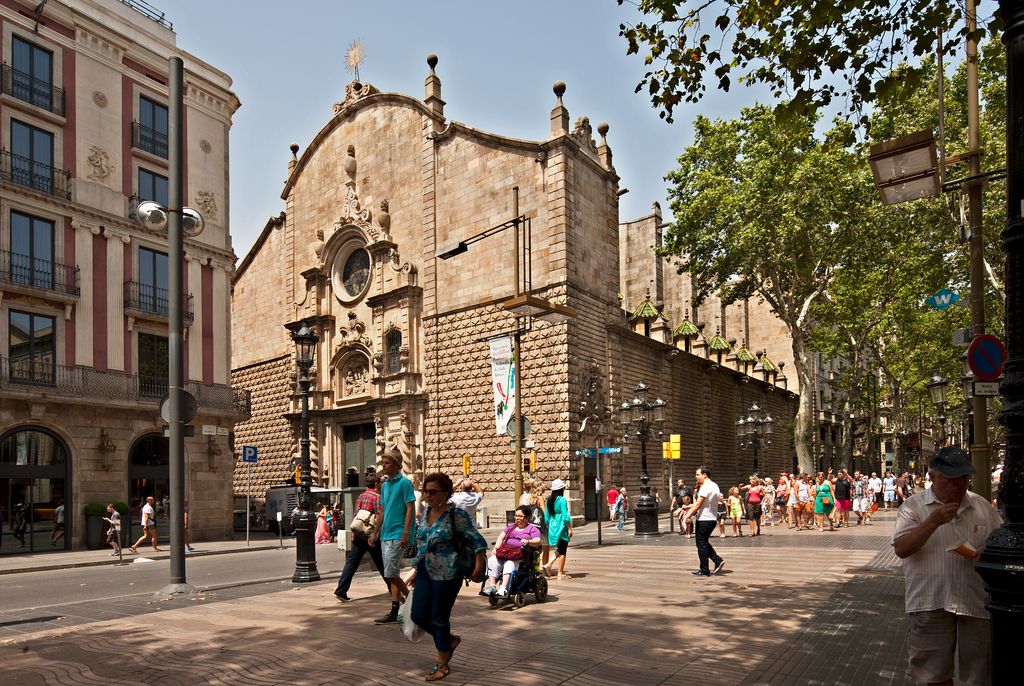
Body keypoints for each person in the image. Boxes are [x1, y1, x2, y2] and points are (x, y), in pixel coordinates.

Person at [893, 447, 1002, 686]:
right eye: (952, 479)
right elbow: (902, 548)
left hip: (974, 601)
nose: (959, 485)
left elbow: (999, 541)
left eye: (964, 478)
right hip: (930, 600)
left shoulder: (981, 506)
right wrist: (933, 521)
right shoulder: (912, 507)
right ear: (932, 477)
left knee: (980, 675)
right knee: (933, 676)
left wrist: (986, 551)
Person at [407, 471, 486, 682]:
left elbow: (476, 539)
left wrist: (478, 565)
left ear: (446, 493)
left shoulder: (456, 514)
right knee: (418, 615)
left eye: (433, 492)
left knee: (438, 617)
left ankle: (442, 663)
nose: (428, 495)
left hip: (449, 573)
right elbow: (422, 543)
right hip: (425, 570)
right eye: (426, 491)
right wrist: (416, 569)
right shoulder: (426, 513)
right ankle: (448, 640)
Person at [369, 445, 416, 624]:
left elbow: (410, 508)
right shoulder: (385, 485)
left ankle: (412, 600)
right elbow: (382, 511)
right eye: (383, 463)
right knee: (392, 572)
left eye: (387, 462)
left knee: (389, 573)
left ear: (396, 464)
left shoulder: (404, 483)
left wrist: (406, 532)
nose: (384, 466)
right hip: (386, 534)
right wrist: (375, 532)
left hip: (399, 533)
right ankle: (395, 609)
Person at [334, 473, 387, 602]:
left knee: (351, 563)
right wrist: (377, 534)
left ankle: (341, 590)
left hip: (359, 535)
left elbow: (356, 515)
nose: (381, 485)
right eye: (380, 483)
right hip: (371, 536)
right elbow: (379, 516)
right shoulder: (377, 498)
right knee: (382, 564)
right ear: (376, 484)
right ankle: (394, 590)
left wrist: (354, 534)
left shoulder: (361, 496)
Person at [485, 505, 541, 597]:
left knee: (509, 563)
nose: (517, 518)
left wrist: (528, 541)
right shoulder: (511, 527)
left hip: (519, 556)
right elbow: (501, 537)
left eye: (520, 516)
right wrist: (495, 549)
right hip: (505, 553)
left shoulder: (532, 529)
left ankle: (503, 588)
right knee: (492, 560)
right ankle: (492, 586)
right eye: (516, 515)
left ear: (527, 518)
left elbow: (537, 540)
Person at [684, 465, 725, 577]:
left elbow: (698, 504)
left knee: (701, 544)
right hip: (712, 518)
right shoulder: (715, 486)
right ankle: (717, 560)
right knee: (703, 542)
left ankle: (704, 570)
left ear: (704, 475)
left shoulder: (705, 487)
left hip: (704, 519)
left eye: (698, 474)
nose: (696, 476)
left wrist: (687, 516)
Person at [542, 478, 572, 579]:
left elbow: (546, 517)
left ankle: (548, 564)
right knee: (563, 550)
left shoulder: (549, 500)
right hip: (562, 527)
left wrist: (549, 525)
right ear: (561, 489)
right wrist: (569, 528)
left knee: (560, 548)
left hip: (553, 526)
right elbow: (565, 516)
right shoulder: (562, 500)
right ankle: (560, 572)